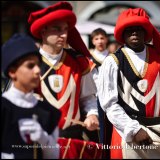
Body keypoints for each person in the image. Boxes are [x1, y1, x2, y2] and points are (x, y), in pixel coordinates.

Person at [98, 8, 160, 159]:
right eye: (129, 29)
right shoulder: (112, 61)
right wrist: (133, 130)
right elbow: (109, 104)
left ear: (145, 32)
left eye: (138, 29)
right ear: (122, 33)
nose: (134, 33)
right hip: (127, 137)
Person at [27, 2, 101, 159]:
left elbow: (88, 98)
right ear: (43, 31)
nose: (64, 35)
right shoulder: (28, 63)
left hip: (72, 141)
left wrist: (92, 115)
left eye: (66, 29)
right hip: (38, 143)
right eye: (57, 29)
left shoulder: (79, 62)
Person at [1, 33, 61, 159]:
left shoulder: (48, 111)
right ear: (12, 72)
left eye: (38, 65)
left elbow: (53, 155)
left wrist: (43, 139)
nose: (38, 70)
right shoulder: (4, 107)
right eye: (30, 66)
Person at [89, 28, 112, 159]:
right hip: (94, 99)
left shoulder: (114, 57)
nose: (100, 41)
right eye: (96, 38)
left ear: (107, 39)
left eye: (102, 38)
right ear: (92, 41)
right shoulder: (89, 58)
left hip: (111, 99)